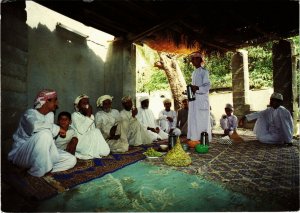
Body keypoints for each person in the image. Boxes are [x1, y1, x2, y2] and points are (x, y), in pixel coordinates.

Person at [8, 89, 76, 177]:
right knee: (45, 134)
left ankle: (33, 170)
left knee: (71, 160)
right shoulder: (29, 114)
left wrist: (56, 129)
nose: (57, 103)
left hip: (43, 153)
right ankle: (37, 170)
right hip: (22, 154)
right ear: (46, 101)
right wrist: (58, 128)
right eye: (55, 100)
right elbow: (35, 127)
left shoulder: (50, 115)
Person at [71, 94, 110, 159]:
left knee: (105, 151)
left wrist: (89, 115)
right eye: (84, 103)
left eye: (87, 103)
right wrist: (89, 115)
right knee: (96, 131)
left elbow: (93, 132)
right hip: (81, 143)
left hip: (89, 142)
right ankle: (92, 152)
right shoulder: (75, 115)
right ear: (78, 106)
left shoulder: (90, 116)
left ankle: (95, 151)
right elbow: (81, 130)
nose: (87, 105)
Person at [187, 52, 212, 142]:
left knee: (201, 120)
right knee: (194, 119)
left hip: (201, 100)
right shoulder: (194, 73)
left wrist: (196, 88)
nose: (193, 61)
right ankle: (194, 138)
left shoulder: (204, 72)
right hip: (194, 101)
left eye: (195, 59)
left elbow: (207, 86)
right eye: (192, 59)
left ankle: (203, 139)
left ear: (200, 60)